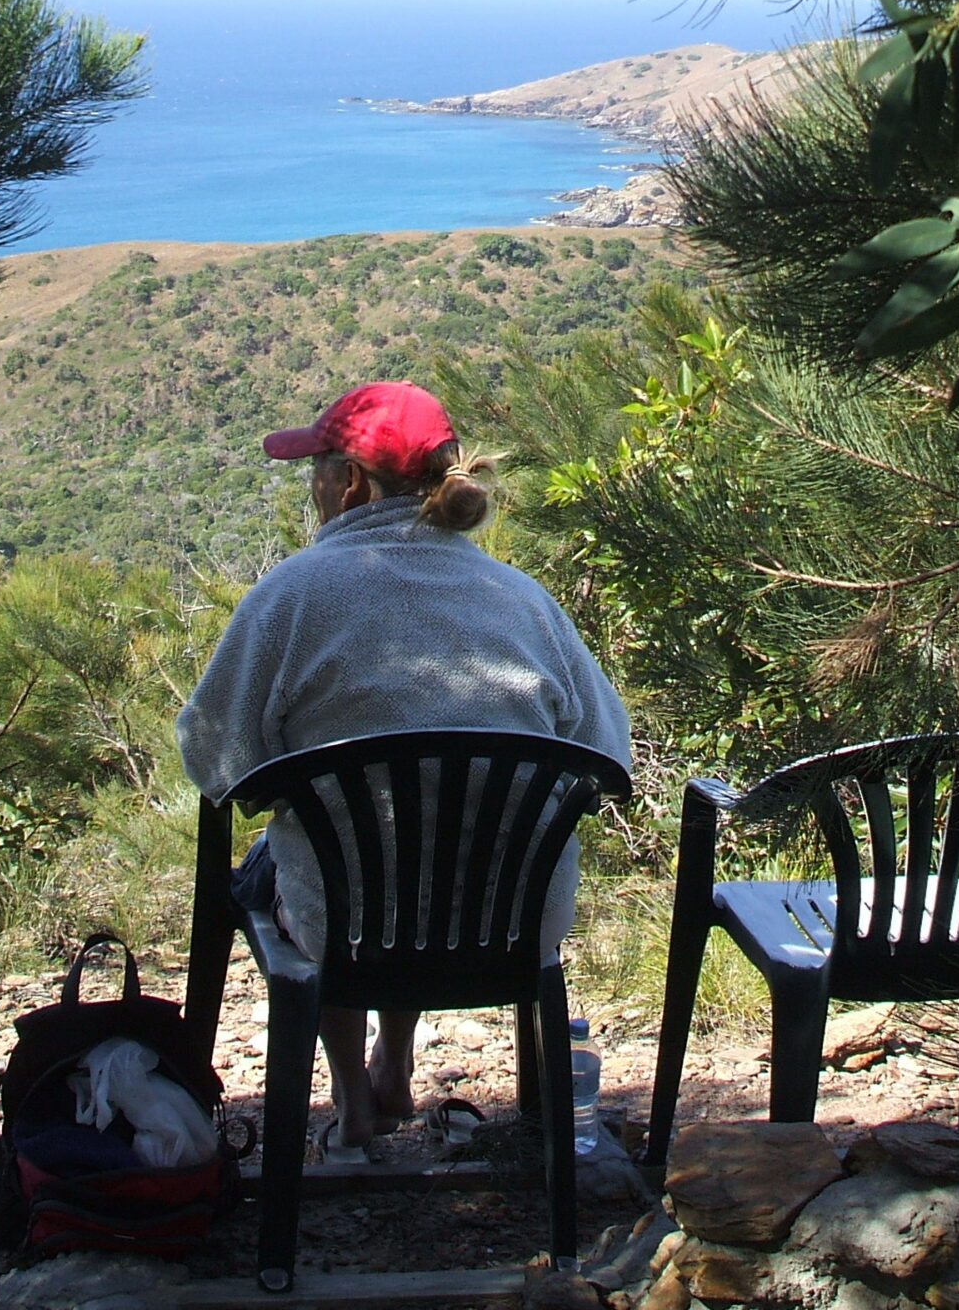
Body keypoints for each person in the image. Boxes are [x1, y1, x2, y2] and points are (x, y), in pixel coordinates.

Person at [176, 381, 633, 1153]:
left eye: (315, 468)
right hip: (511, 919)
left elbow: (217, 760)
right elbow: (607, 751)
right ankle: (394, 1056)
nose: (311, 486)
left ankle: (355, 1102)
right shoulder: (523, 600)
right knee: (414, 836)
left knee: (320, 859)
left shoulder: (289, 598)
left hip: (350, 924)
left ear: (348, 482)